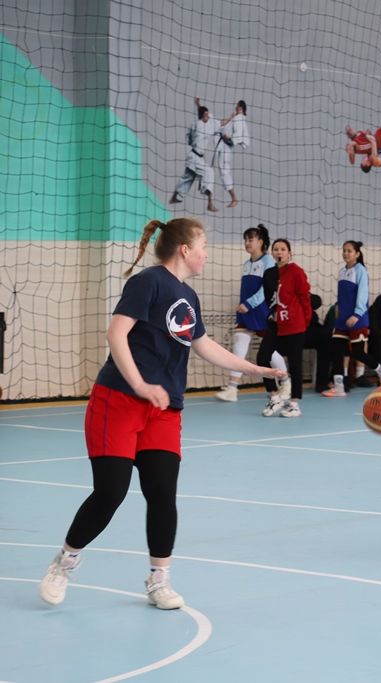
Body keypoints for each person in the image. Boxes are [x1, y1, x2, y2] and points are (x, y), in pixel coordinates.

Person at [37, 217, 285, 609]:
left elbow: (203, 345)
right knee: (111, 492)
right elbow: (116, 334)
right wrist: (139, 384)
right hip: (118, 400)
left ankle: (159, 580)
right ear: (185, 249)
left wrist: (252, 368)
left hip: (164, 409)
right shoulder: (148, 281)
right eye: (203, 246)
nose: (207, 253)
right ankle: (64, 561)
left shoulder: (190, 296)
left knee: (162, 495)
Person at [216, 224, 287, 402]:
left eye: (250, 239)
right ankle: (232, 389)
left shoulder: (268, 262)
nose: (247, 243)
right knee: (239, 347)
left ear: (260, 242)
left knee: (269, 351)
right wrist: (244, 305)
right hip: (245, 312)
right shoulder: (247, 264)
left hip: (260, 312)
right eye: (245, 240)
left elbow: (266, 290)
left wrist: (249, 303)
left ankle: (286, 381)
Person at [322, 240, 381, 397]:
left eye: (349, 251)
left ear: (357, 254)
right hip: (342, 319)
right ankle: (339, 387)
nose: (346, 253)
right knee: (336, 351)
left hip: (357, 319)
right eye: (344, 250)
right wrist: (338, 306)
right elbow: (343, 295)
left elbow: (363, 295)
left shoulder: (361, 271)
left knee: (358, 353)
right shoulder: (342, 271)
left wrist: (357, 314)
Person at [259, 239, 312, 418]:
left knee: (295, 365)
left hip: (294, 325)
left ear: (289, 253)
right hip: (275, 324)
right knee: (262, 358)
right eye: (276, 249)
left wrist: (305, 321)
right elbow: (268, 298)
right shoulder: (269, 273)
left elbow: (305, 298)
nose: (279, 252)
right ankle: (275, 398)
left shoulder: (296, 272)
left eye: (283, 249)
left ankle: (294, 404)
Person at [170, 98, 221, 212]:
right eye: (207, 115)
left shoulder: (195, 124)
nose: (208, 117)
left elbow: (189, 138)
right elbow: (220, 124)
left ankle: (173, 197)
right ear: (203, 116)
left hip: (193, 156)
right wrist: (231, 117)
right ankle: (210, 204)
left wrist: (198, 104)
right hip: (196, 158)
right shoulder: (203, 128)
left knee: (187, 177)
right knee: (210, 173)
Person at [207, 98, 250, 208]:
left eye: (237, 106)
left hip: (226, 148)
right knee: (221, 172)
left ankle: (234, 198)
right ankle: (229, 199)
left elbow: (238, 135)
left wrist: (229, 138)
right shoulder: (236, 118)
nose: (235, 107)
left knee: (224, 172)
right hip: (223, 146)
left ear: (240, 107)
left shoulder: (239, 119)